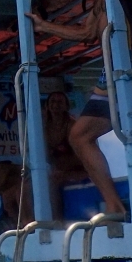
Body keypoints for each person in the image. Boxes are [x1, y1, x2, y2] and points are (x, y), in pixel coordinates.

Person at [26, 0, 132, 214]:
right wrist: (44, 26)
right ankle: (115, 206)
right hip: (113, 70)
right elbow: (86, 33)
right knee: (81, 135)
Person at [43, 91, 89, 221]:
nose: (55, 105)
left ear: (66, 106)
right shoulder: (43, 127)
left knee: (53, 180)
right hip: (57, 169)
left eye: (59, 102)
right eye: (52, 102)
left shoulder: (73, 125)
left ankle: (57, 220)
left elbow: (82, 156)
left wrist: (63, 165)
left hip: (80, 170)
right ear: (47, 105)